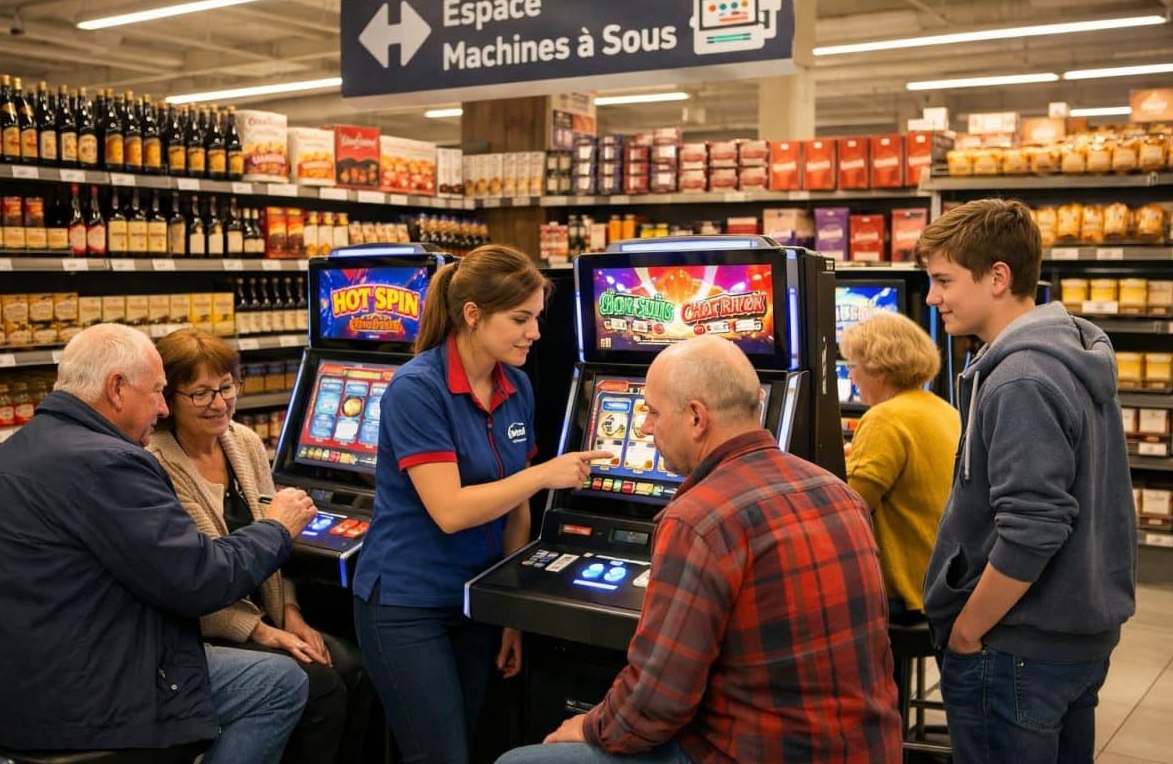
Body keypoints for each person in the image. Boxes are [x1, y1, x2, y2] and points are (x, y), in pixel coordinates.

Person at [496, 335, 901, 764]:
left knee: (518, 762)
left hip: (753, 751)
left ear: (696, 418)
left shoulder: (698, 518)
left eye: (652, 412)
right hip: (868, 749)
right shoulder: (839, 492)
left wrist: (585, 726)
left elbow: (656, 704)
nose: (643, 428)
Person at [0, 323, 316, 762]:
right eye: (156, 391)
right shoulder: (108, 463)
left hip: (4, 685)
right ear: (117, 388)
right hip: (76, 698)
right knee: (279, 683)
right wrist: (278, 528)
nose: (163, 407)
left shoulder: (15, 449)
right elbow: (200, 580)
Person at [352, 244, 610, 764]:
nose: (535, 333)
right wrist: (542, 475)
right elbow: (450, 510)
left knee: (471, 743)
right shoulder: (416, 388)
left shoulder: (517, 384)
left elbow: (517, 510)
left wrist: (510, 613)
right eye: (520, 319)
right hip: (407, 603)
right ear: (472, 314)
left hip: (476, 599)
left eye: (536, 318)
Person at [917, 198, 1136, 763]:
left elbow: (1035, 526)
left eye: (944, 280)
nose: (932, 297)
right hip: (1071, 638)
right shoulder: (1069, 352)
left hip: (1016, 645)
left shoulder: (1021, 377)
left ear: (997, 278)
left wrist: (968, 629)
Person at [147, 327, 372, 764]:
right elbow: (190, 577)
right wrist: (265, 632)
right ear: (169, 399)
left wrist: (291, 614)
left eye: (226, 387)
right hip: (205, 628)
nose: (219, 403)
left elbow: (275, 543)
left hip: (262, 611)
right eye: (200, 393)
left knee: (353, 667)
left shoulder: (244, 441)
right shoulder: (156, 461)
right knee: (321, 686)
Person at [840, 311, 960, 624]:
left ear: (878, 369)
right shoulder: (943, 410)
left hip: (903, 594)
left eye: (853, 366)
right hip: (942, 581)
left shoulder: (884, 417)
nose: (851, 377)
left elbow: (850, 507)